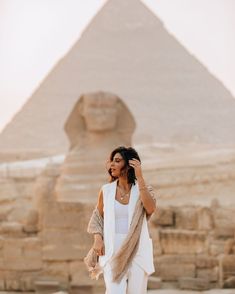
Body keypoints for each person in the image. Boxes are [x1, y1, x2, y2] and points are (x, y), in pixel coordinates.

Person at [87, 146, 157, 294]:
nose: (111, 164)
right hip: (112, 252)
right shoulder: (106, 190)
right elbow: (97, 217)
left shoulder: (143, 189)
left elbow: (150, 208)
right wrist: (97, 238)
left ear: (129, 165)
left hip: (137, 251)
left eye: (117, 161)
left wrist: (140, 178)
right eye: (111, 161)